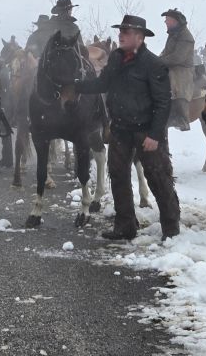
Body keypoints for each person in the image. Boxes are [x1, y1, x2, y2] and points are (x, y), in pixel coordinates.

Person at [74, 15, 180, 241]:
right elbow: (103, 84)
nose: (121, 35)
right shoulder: (116, 59)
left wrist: (154, 135)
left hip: (146, 131)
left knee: (157, 179)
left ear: (140, 38)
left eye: (127, 32)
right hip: (120, 129)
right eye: (120, 31)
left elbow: (163, 103)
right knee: (118, 176)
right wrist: (76, 86)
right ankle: (125, 226)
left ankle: (171, 228)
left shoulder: (153, 64)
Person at [159, 8, 195, 131]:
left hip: (182, 69)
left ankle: (182, 118)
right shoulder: (173, 34)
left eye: (167, 20)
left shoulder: (186, 36)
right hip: (171, 66)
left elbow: (177, 58)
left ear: (175, 21)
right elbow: (166, 52)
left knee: (175, 83)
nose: (165, 22)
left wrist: (160, 61)